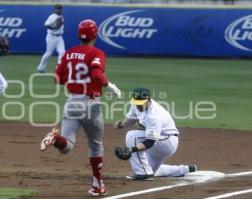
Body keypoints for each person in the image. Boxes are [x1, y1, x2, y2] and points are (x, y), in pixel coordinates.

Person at [40, 19, 122, 196]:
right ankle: (97, 185)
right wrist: (110, 85)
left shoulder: (68, 53)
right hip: (90, 104)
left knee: (66, 146)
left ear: (79, 34)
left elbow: (57, 78)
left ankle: (56, 139)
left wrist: (74, 81)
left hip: (72, 103)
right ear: (95, 35)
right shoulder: (96, 52)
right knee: (96, 145)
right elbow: (96, 73)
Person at [114, 87, 197, 180]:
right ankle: (184, 169)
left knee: (132, 136)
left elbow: (149, 142)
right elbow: (131, 118)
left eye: (140, 104)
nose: (138, 106)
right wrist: (122, 125)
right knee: (150, 169)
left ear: (148, 99)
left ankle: (143, 173)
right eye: (136, 103)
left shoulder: (154, 115)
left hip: (167, 142)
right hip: (159, 143)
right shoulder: (137, 104)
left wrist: (131, 149)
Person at [37, 4, 65, 73]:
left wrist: (57, 26)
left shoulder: (61, 16)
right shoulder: (52, 16)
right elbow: (46, 25)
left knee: (62, 52)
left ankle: (59, 69)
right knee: (48, 53)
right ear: (55, 9)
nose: (59, 10)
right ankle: (41, 68)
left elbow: (59, 26)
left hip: (59, 37)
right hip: (52, 36)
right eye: (58, 8)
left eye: (60, 8)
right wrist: (54, 28)